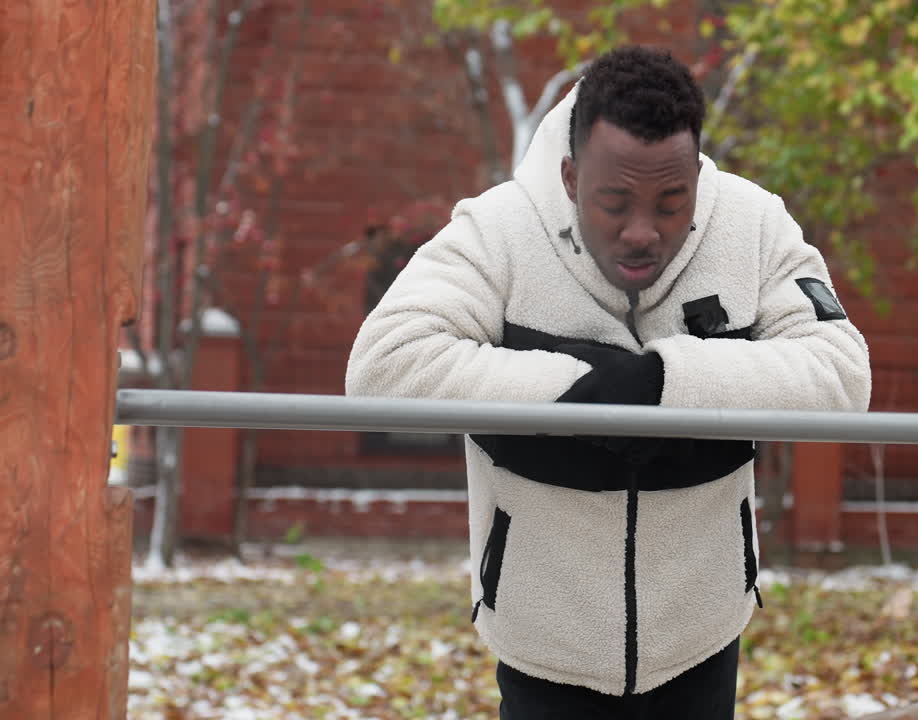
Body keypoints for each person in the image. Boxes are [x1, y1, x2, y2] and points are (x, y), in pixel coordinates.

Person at [346, 46, 871, 719]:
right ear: (570, 176)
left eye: (671, 203)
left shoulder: (755, 224)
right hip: (544, 634)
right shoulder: (500, 230)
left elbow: (841, 372)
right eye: (615, 202)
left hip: (701, 628)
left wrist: (665, 384)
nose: (642, 232)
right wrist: (578, 391)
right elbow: (382, 365)